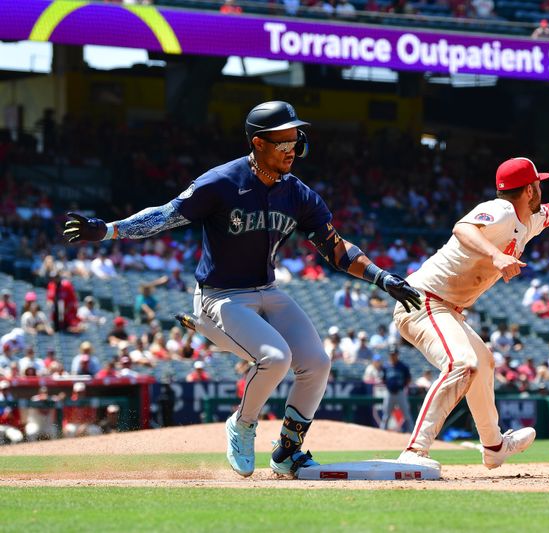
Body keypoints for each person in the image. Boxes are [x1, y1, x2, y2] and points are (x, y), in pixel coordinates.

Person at [63, 101, 421, 478]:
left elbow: (335, 248)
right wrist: (108, 230)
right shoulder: (221, 182)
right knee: (275, 357)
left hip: (266, 289)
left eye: (295, 139)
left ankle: (288, 451)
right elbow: (166, 215)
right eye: (282, 140)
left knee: (317, 362)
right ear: (257, 143)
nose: (292, 148)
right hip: (220, 295)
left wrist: (382, 277)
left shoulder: (296, 193)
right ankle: (243, 424)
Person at [393, 156, 549, 471]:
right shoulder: (503, 211)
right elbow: (463, 228)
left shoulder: (527, 220)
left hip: (445, 307)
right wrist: (495, 255)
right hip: (422, 300)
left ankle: (494, 447)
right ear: (530, 189)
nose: (541, 190)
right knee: (462, 363)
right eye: (538, 184)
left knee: (484, 363)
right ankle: (414, 451)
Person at [380, 346, 413, 433]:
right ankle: (381, 433)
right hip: (389, 393)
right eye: (391, 354)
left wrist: (402, 386)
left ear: (397, 355)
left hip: (400, 393)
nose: (393, 356)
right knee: (386, 415)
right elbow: (383, 379)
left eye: (394, 354)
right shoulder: (386, 366)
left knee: (407, 415)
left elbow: (408, 379)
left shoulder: (403, 366)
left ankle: (412, 433)